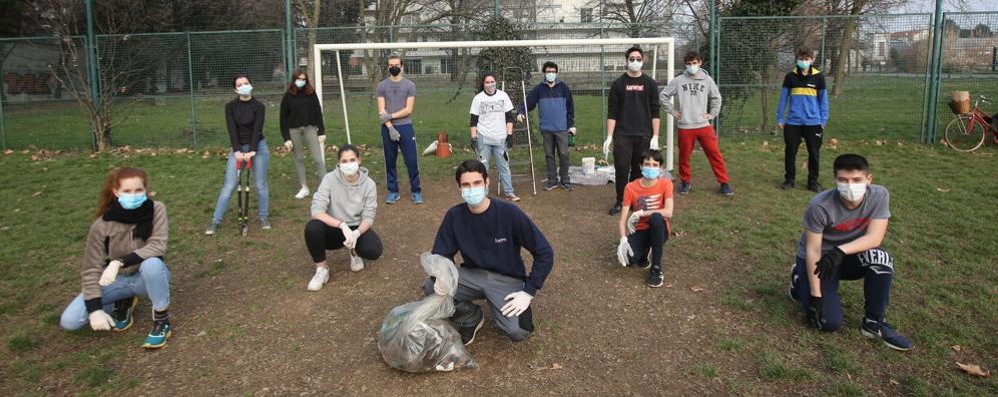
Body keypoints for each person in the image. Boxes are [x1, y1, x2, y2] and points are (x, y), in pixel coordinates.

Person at [789, 154, 912, 351]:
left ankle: (874, 323)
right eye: (843, 180)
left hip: (848, 255)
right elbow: (813, 249)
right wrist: (816, 295)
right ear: (835, 180)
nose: (850, 185)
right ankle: (798, 279)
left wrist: (841, 250)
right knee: (829, 323)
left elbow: (875, 238)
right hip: (820, 260)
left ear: (868, 179)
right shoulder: (820, 205)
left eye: (856, 180)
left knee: (881, 258)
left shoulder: (879, 195)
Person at [423, 159, 554, 344]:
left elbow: (545, 252)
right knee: (431, 287)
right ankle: (469, 316)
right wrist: (442, 276)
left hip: (506, 279)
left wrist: (528, 292)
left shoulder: (509, 213)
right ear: (459, 187)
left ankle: (504, 307)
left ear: (486, 182)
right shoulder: (454, 216)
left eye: (477, 183)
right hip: (473, 275)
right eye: (466, 185)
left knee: (518, 331)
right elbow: (441, 255)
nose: (472, 189)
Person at [59, 167, 173, 349]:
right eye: (127, 191)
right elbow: (90, 269)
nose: (133, 195)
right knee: (70, 321)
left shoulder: (157, 209)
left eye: (138, 190)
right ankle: (123, 301)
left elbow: (157, 246)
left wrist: (118, 262)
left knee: (152, 264)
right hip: (115, 280)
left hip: (146, 279)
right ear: (116, 192)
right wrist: (95, 310)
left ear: (146, 190)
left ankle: (161, 320)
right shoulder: (102, 224)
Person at [303, 144, 383, 291]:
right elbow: (317, 210)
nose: (349, 164)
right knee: (312, 228)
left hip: (355, 227)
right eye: (344, 161)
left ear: (359, 160)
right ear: (338, 163)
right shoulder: (329, 179)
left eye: (352, 160)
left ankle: (354, 252)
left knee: (374, 250)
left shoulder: (369, 184)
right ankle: (322, 270)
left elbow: (369, 216)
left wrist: (357, 233)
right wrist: (341, 225)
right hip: (334, 226)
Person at [659, 51, 733, 196]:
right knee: (684, 157)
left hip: (704, 126)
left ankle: (724, 182)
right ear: (685, 65)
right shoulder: (678, 80)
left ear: (700, 63)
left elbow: (717, 97)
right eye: (688, 64)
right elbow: (663, 96)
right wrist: (674, 112)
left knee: (715, 154)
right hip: (685, 126)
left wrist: (712, 114)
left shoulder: (707, 80)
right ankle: (685, 182)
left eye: (694, 63)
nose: (691, 66)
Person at [205, 75, 271, 235]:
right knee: (229, 186)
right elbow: (232, 130)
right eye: (239, 85)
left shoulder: (259, 106)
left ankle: (264, 217)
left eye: (246, 83)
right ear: (235, 89)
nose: (243, 86)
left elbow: (257, 129)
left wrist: (252, 150)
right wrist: (237, 151)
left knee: (260, 185)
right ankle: (215, 221)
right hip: (238, 148)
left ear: (251, 85)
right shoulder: (230, 107)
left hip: (258, 148)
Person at [603, 46, 661, 215]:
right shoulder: (618, 84)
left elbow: (656, 111)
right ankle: (621, 201)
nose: (635, 62)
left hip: (644, 134)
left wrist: (655, 136)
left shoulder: (650, 84)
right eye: (632, 59)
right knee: (621, 169)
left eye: (638, 59)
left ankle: (636, 201)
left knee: (638, 170)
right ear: (627, 61)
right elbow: (612, 112)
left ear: (643, 61)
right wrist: (609, 137)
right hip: (622, 135)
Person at [615, 149, 674, 287]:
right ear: (641, 166)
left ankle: (656, 268)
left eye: (655, 165)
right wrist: (623, 239)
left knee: (655, 217)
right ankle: (646, 250)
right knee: (628, 259)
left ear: (661, 168)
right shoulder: (630, 187)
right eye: (647, 164)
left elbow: (668, 212)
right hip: (641, 230)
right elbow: (622, 219)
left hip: (659, 228)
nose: (651, 167)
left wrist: (642, 213)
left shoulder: (666, 184)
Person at [516, 61, 576, 191]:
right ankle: (552, 180)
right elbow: (528, 103)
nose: (551, 74)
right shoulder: (539, 89)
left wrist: (571, 125)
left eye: (553, 72)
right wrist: (521, 112)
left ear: (556, 73)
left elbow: (570, 107)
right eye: (548, 72)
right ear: (544, 73)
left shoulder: (563, 88)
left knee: (564, 155)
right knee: (549, 155)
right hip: (546, 129)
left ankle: (565, 180)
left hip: (562, 128)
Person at [777, 47, 829, 192]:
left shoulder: (819, 77)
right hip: (793, 122)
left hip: (813, 123)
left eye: (806, 59)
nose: (803, 62)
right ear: (797, 59)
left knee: (814, 153)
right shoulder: (790, 77)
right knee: (790, 152)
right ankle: (789, 180)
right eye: (801, 59)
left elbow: (823, 101)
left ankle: (813, 182)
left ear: (812, 60)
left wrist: (823, 121)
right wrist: (780, 117)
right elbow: (783, 99)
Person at [377, 53, 423, 204]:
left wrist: (390, 116)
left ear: (402, 66)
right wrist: (390, 128)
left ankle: (416, 190)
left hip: (405, 127)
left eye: (396, 65)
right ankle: (393, 191)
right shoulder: (381, 86)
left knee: (411, 160)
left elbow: (408, 109)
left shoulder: (409, 85)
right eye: (391, 65)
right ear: (388, 67)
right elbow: (381, 111)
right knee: (390, 161)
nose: (394, 67)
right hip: (387, 129)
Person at [470, 73, 519, 202]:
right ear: (483, 84)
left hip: (500, 138)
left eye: (492, 82)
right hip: (483, 138)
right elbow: (473, 120)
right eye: (487, 82)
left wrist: (509, 135)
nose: (490, 84)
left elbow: (509, 118)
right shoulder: (478, 99)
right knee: (482, 167)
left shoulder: (503, 96)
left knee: (504, 166)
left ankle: (509, 193)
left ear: (496, 82)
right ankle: (483, 194)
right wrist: (473, 138)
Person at [280, 69, 326, 200]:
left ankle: (325, 187)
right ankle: (304, 187)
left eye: (303, 79)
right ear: (294, 80)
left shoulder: (311, 93)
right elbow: (283, 118)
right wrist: (286, 138)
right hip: (293, 129)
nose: (301, 82)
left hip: (310, 127)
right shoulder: (288, 96)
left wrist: (321, 130)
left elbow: (318, 112)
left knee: (317, 158)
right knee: (298, 158)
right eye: (299, 79)